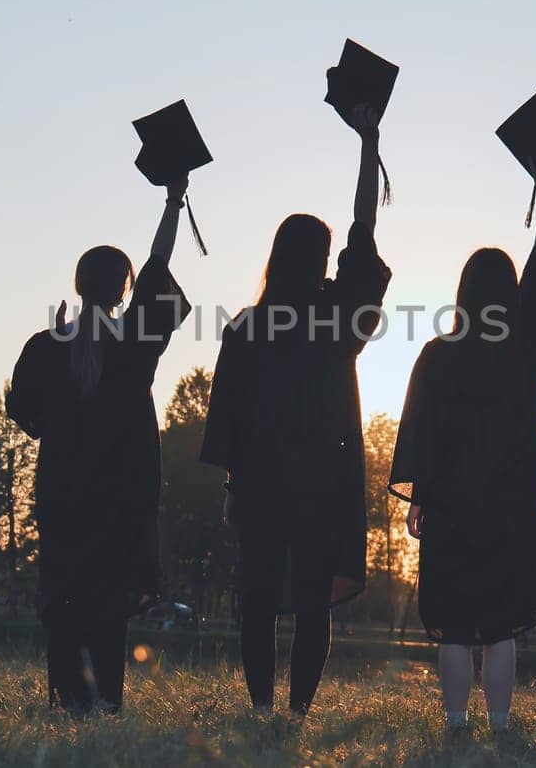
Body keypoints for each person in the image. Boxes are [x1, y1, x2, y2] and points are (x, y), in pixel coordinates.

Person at [201, 105, 391, 723]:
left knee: (256, 602)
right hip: (325, 485)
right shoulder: (339, 317)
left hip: (260, 484)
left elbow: (226, 412)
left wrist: (231, 484)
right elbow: (364, 231)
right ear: (321, 261)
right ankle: (298, 715)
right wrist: (370, 143)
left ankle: (261, 711)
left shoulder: (247, 327)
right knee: (314, 603)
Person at [3, 174, 193, 714]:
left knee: (62, 601)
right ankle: (106, 702)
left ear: (78, 284)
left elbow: (26, 415)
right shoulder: (135, 341)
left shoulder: (47, 345)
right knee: (110, 608)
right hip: (120, 501)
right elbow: (159, 268)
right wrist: (172, 202)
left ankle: (66, 699)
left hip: (62, 497)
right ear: (124, 290)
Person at [388, 152, 536, 738]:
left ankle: (457, 723)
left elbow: (419, 431)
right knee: (504, 625)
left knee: (457, 625)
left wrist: (418, 499)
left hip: (452, 508)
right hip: (512, 507)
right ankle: (503, 723)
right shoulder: (529, 354)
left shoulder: (440, 356)